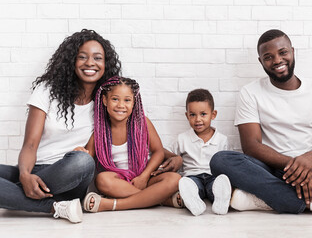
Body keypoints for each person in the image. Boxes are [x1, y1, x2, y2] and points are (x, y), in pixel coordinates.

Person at [210, 29, 312, 218]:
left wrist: (310, 159)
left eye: (283, 52)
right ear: (260, 61)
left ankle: (271, 199)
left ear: (292, 51)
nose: (277, 60)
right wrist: (296, 167)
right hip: (269, 169)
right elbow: (251, 146)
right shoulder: (250, 92)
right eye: (268, 57)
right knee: (220, 160)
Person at [0, 29, 121, 223]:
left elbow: (137, 128)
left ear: (105, 64)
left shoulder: (107, 100)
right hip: (36, 170)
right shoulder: (47, 91)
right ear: (71, 61)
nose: (90, 63)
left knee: (83, 161)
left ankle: (13, 194)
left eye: (97, 58)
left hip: (70, 175)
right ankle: (56, 206)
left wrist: (167, 156)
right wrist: (24, 175)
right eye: (82, 57)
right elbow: (30, 145)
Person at [79, 76, 181, 212]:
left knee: (175, 179)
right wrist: (80, 152)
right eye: (115, 99)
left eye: (127, 100)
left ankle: (111, 204)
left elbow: (158, 152)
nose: (121, 105)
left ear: (134, 103)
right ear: (104, 100)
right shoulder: (99, 132)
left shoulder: (142, 123)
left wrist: (144, 177)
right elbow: (87, 158)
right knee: (102, 179)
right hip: (120, 182)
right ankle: (161, 199)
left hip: (145, 178)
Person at [165, 89, 231, 216]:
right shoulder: (182, 138)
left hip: (213, 176)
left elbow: (228, 162)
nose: (198, 119)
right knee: (190, 186)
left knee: (217, 186)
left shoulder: (222, 139)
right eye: (193, 115)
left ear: (213, 114)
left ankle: (220, 201)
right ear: (187, 115)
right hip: (192, 176)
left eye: (203, 114)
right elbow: (169, 154)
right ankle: (194, 202)